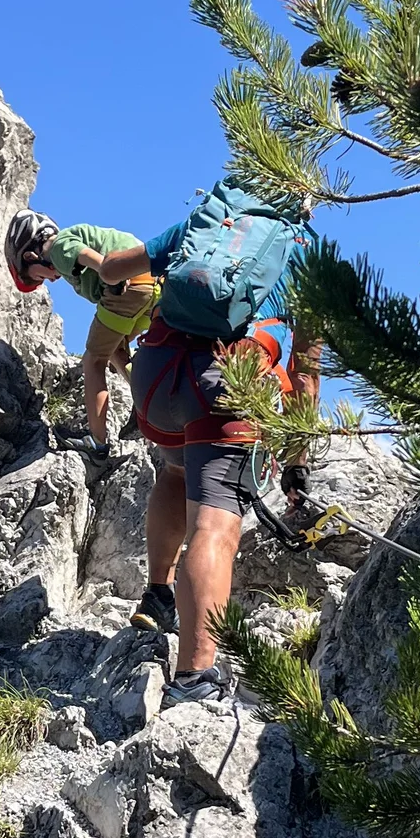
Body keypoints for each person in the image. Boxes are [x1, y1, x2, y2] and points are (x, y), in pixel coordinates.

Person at [84, 193, 319, 704]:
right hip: (225, 380)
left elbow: (115, 269)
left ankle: (158, 593)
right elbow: (305, 376)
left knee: (173, 472)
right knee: (213, 527)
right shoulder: (307, 255)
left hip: (155, 376)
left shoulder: (214, 220)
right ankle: (194, 676)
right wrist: (297, 463)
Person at [5, 211, 158, 460]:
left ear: (31, 255)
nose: (48, 282)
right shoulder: (72, 237)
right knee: (115, 351)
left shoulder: (55, 247)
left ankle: (97, 442)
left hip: (126, 287)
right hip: (151, 286)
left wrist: (109, 273)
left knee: (93, 360)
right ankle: (154, 397)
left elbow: (83, 254)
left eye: (37, 277)